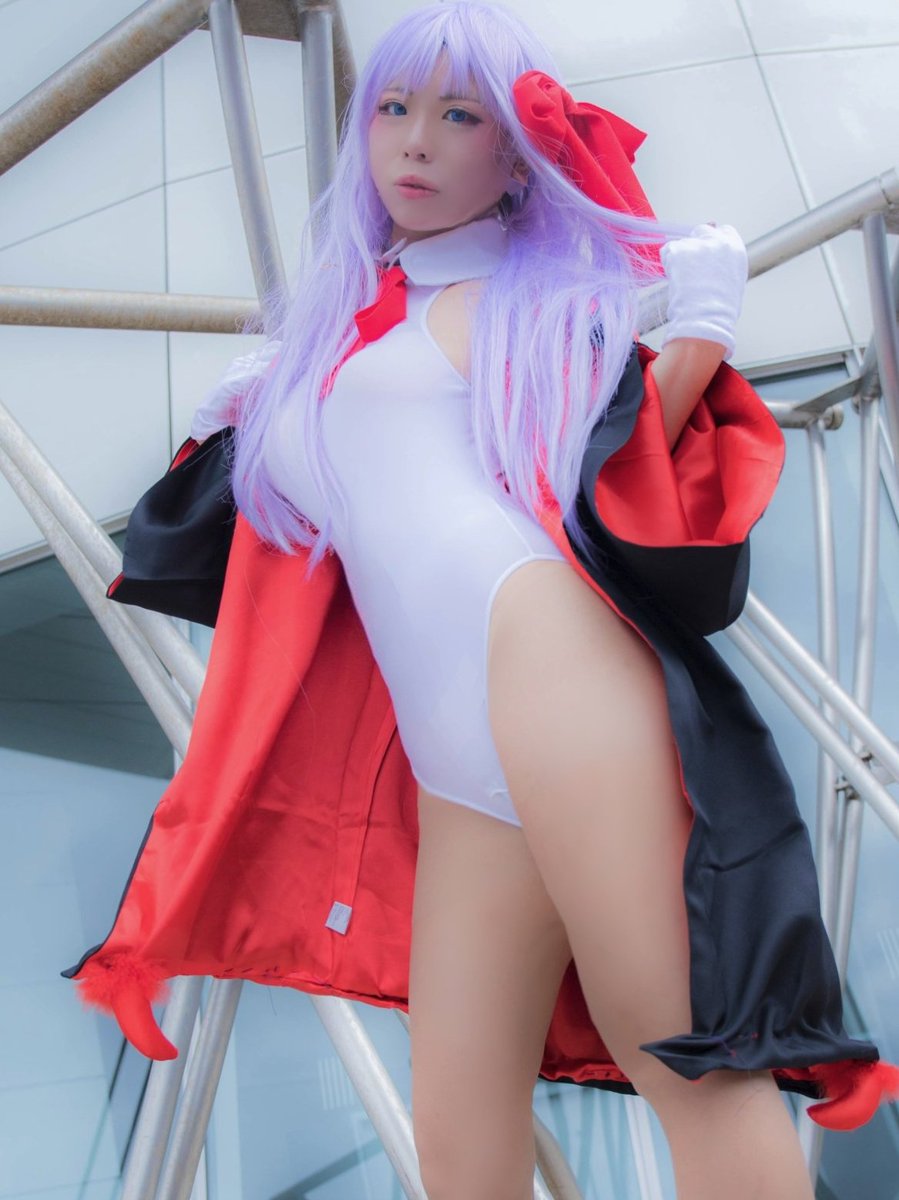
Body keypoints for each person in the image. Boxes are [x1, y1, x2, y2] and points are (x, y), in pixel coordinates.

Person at [65, 4, 897, 1198]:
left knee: (687, 1061)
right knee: (458, 1138)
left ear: (513, 154)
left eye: (459, 115)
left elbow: (605, 487)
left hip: (554, 670)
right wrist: (234, 428)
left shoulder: (528, 301)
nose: (415, 140)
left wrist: (699, 336)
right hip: (452, 765)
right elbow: (283, 554)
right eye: (394, 108)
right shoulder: (334, 335)